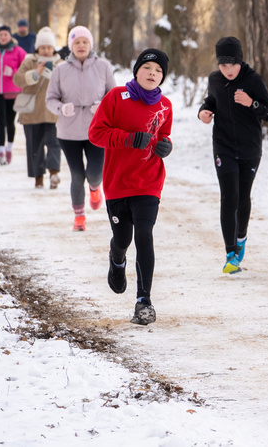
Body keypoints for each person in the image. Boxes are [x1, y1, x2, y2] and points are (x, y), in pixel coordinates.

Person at [89, 49, 173, 326]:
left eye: (158, 70)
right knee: (123, 238)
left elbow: (164, 137)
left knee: (145, 234)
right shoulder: (116, 97)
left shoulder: (165, 106)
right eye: (147, 68)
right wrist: (127, 139)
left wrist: (165, 147)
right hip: (118, 182)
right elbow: (96, 133)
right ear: (136, 71)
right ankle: (117, 258)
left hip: (149, 180)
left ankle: (143, 301)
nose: (153, 73)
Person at [198, 36, 268, 274]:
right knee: (228, 196)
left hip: (250, 148)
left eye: (231, 64)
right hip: (224, 147)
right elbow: (212, 100)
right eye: (222, 65)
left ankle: (241, 238)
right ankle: (230, 252)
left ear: (240, 61)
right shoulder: (215, 80)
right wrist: (203, 111)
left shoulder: (253, 80)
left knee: (242, 197)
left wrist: (251, 103)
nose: (227, 69)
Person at [46, 26, 116, 231]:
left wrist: (103, 106)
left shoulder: (103, 66)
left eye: (85, 42)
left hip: (98, 130)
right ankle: (79, 217)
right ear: (71, 46)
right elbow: (50, 99)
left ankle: (95, 188)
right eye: (77, 42)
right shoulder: (60, 69)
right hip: (68, 132)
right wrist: (61, 108)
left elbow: (114, 95)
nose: (81, 45)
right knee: (77, 174)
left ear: (90, 44)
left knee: (94, 174)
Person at [13, 27, 62, 188]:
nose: (46, 50)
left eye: (49, 47)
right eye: (43, 47)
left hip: (52, 112)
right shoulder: (29, 62)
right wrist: (35, 73)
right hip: (32, 111)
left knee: (54, 142)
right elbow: (17, 80)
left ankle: (54, 172)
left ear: (53, 48)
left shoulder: (60, 63)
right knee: (35, 145)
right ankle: (38, 177)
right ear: (37, 48)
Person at [0, 25, 27, 165]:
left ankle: (9, 148)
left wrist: (13, 72)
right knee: (0, 122)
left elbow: (25, 70)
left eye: (5, 34)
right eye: (0, 34)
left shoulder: (18, 51)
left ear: (10, 36)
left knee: (10, 122)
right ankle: (1, 152)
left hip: (13, 91)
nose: (3, 37)